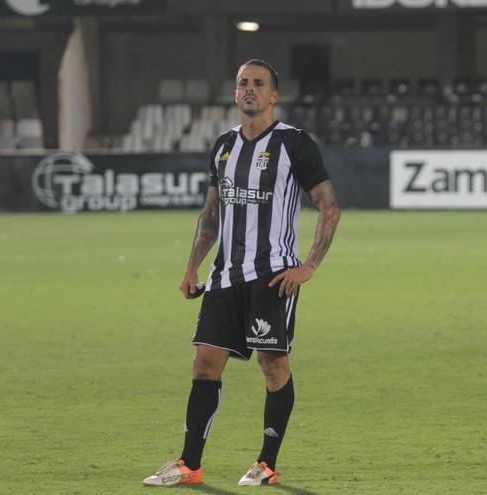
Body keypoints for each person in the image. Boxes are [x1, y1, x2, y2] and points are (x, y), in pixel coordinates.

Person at [143, 58, 341, 487]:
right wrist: (192, 266)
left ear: (274, 95)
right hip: (224, 276)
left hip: (273, 276)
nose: (249, 89)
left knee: (273, 368)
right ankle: (189, 465)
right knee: (204, 364)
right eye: (242, 83)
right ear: (235, 93)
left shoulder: (295, 144)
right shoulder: (223, 145)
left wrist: (308, 267)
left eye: (258, 83)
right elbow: (211, 214)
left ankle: (266, 464)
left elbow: (329, 206)